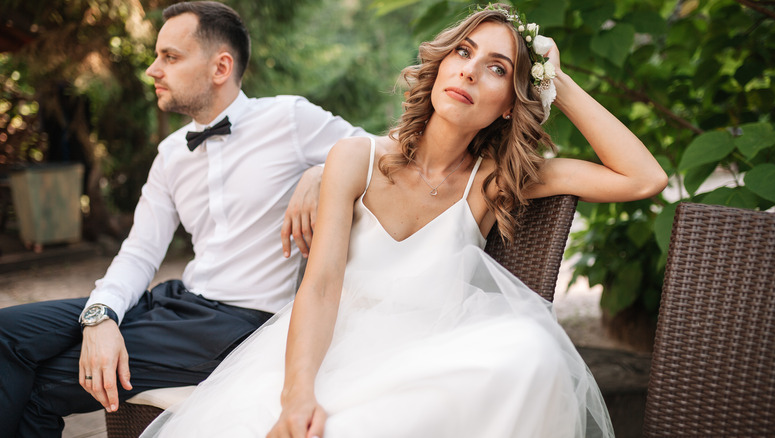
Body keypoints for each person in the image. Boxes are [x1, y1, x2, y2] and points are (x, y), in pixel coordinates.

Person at [141, 4, 668, 438]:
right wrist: (299, 394)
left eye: (497, 67)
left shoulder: (493, 182)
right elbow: (321, 287)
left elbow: (644, 178)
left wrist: (558, 80)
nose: (469, 69)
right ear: (440, 65)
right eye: (463, 52)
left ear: (510, 104)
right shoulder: (354, 159)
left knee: (532, 352)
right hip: (335, 359)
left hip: (433, 364)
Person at [0, 2, 367, 436]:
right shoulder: (172, 153)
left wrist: (322, 170)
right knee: (9, 330)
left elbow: (381, 153)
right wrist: (101, 316)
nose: (153, 70)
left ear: (220, 67)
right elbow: (139, 251)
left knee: (44, 382)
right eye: (157, 57)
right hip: (176, 301)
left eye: (170, 57)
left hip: (241, 322)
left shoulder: (289, 118)